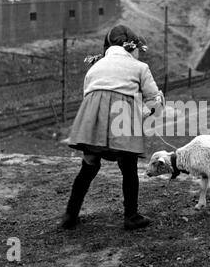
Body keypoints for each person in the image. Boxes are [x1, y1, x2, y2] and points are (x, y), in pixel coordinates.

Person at [61, 24, 164, 231]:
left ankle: (70, 215)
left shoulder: (94, 67)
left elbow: (88, 96)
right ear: (131, 47)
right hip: (122, 119)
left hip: (92, 121)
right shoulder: (139, 68)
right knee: (128, 168)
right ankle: (131, 216)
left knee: (88, 166)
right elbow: (154, 98)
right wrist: (142, 114)